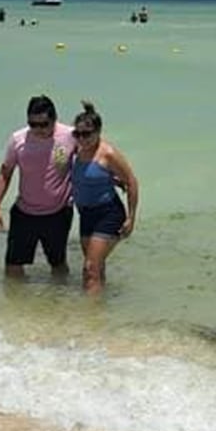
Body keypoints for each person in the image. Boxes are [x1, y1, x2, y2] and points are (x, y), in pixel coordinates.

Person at [0, 95, 76, 278]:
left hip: (58, 213)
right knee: (13, 266)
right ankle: (16, 305)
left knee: (58, 265)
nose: (38, 130)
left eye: (43, 124)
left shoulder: (70, 135)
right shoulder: (18, 139)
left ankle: (59, 304)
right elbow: (5, 172)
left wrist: (114, 177)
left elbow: (94, 154)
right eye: (32, 124)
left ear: (54, 119)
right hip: (24, 212)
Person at [70, 101, 139, 293]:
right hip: (86, 214)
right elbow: (61, 164)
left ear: (98, 132)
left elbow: (132, 181)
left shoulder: (108, 154)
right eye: (78, 134)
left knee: (89, 268)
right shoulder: (76, 150)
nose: (82, 138)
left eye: (87, 134)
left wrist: (131, 218)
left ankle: (90, 317)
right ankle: (101, 313)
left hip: (108, 214)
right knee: (96, 268)